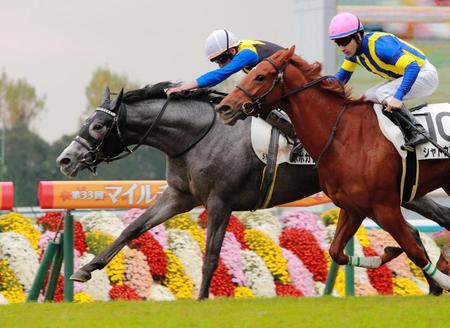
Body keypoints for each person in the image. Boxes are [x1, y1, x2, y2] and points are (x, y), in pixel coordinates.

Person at [166, 29, 303, 159]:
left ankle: (297, 136)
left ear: (232, 50)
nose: (220, 65)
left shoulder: (246, 54)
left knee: (256, 105)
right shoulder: (241, 49)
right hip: (283, 83)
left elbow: (219, 75)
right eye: (216, 61)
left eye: (221, 59)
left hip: (296, 83)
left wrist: (183, 88)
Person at [329, 12, 438, 150]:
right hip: (405, 76)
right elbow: (340, 79)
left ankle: (416, 131)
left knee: (383, 92)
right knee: (367, 98)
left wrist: (398, 96)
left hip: (424, 74)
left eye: (344, 41)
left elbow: (412, 67)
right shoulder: (354, 53)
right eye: (337, 43)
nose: (342, 48)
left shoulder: (380, 46)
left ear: (358, 36)